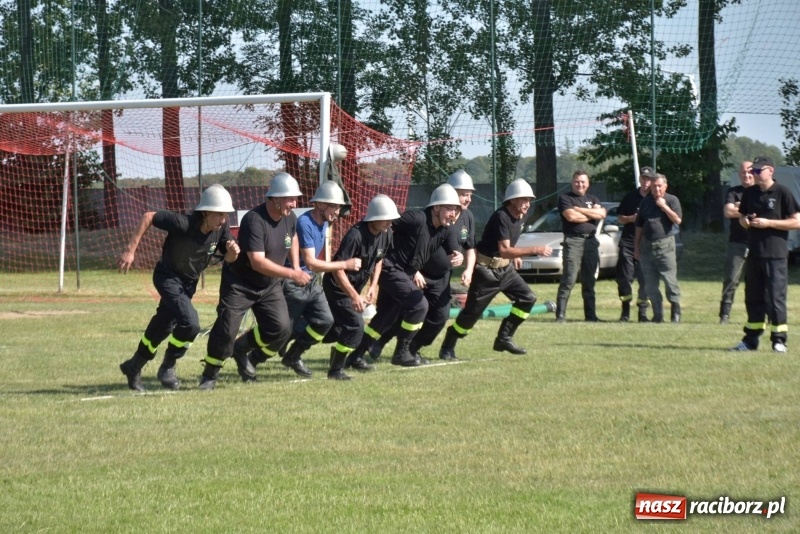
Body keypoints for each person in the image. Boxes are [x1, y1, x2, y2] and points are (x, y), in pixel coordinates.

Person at [118, 184, 239, 392]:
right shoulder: (183, 223)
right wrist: (130, 250)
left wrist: (233, 252)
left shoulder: (221, 230)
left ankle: (134, 365)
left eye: (226, 215)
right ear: (206, 212)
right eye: (220, 214)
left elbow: (229, 259)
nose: (223, 219)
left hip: (188, 284)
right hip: (167, 278)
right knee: (191, 324)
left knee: (162, 325)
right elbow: (148, 216)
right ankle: (168, 366)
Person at [198, 172, 311, 390]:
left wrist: (296, 265)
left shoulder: (290, 218)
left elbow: (293, 237)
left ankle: (241, 349)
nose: (294, 203)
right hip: (240, 284)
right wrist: (292, 274)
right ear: (275, 199)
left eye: (295, 199)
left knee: (280, 328)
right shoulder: (254, 220)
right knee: (226, 327)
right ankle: (210, 374)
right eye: (290, 199)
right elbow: (258, 262)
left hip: (269, 285)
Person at [247, 181, 361, 378]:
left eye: (339, 207)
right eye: (335, 206)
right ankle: (253, 358)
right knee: (282, 332)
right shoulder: (305, 223)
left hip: (310, 281)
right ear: (321, 204)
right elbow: (312, 262)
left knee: (325, 320)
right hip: (292, 283)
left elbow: (313, 267)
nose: (338, 212)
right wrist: (345, 264)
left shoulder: (324, 222)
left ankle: (293, 356)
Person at [366, 169, 477, 363]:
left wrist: (463, 262)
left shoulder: (464, 219)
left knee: (439, 317)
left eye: (469, 195)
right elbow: (398, 233)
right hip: (419, 274)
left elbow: (462, 246)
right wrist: (413, 269)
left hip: (442, 278)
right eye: (463, 194)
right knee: (405, 311)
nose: (467, 199)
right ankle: (381, 345)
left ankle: (412, 349)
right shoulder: (420, 218)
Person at [346, 184, 462, 368]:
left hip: (404, 274)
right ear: (437, 207)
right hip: (390, 268)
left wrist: (459, 255)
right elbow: (384, 223)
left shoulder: (445, 229)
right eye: (450, 208)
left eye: (456, 210)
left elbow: (453, 247)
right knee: (419, 305)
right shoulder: (415, 218)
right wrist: (373, 250)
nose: (453, 214)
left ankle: (355, 357)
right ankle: (402, 353)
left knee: (385, 318)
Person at [438, 179, 552, 360]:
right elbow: (505, 250)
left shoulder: (520, 216)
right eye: (523, 200)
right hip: (486, 272)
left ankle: (504, 338)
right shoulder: (501, 217)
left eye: (529, 200)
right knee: (471, 314)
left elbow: (508, 245)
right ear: (512, 200)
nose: (527, 204)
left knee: (527, 299)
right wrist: (535, 250)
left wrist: (517, 255)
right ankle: (448, 345)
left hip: (505, 270)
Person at [323, 195, 400, 379]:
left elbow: (379, 260)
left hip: (355, 288)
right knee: (355, 326)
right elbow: (338, 269)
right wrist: (354, 296)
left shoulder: (387, 233)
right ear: (374, 217)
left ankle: (345, 358)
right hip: (337, 287)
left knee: (339, 329)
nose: (390, 223)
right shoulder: (355, 235)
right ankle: (335, 370)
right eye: (386, 218)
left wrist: (373, 285)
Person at [730, 156, 800, 353]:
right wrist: (747, 221)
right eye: (753, 170)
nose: (754, 174)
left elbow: (797, 221)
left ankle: (779, 340)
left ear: (771, 171)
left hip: (775, 254)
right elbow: (742, 217)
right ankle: (750, 341)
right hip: (754, 252)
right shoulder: (750, 193)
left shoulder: (782, 192)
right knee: (753, 298)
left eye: (758, 170)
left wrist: (770, 223)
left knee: (776, 298)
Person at [554, 170, 607, 322]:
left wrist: (580, 210)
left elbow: (602, 214)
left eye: (583, 181)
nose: (580, 184)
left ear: (588, 183)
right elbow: (571, 217)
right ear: (572, 182)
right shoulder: (565, 198)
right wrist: (591, 213)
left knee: (589, 280)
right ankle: (561, 315)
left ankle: (591, 316)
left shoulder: (593, 198)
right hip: (573, 241)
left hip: (591, 241)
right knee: (569, 278)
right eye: (577, 181)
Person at [634, 173, 683, 323]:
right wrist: (636, 247)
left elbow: (677, 220)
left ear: (665, 186)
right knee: (650, 285)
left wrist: (664, 206)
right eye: (654, 186)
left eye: (659, 186)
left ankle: (675, 313)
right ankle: (658, 315)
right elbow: (639, 226)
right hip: (647, 246)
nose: (656, 188)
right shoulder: (645, 202)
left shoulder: (672, 200)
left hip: (665, 245)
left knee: (670, 281)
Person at [615, 167, 655, 322]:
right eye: (643, 178)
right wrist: (632, 218)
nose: (646, 182)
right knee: (625, 278)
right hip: (628, 241)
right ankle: (625, 312)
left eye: (649, 179)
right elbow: (620, 218)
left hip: (647, 243)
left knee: (645, 279)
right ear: (640, 179)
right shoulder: (630, 197)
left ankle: (643, 313)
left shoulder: (655, 198)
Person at [719, 161, 754, 324]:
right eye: (743, 173)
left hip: (758, 243)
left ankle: (756, 314)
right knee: (731, 279)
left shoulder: (760, 192)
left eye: (749, 172)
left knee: (756, 282)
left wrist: (739, 208)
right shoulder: (734, 192)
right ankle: (724, 315)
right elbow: (727, 212)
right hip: (736, 243)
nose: (746, 175)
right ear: (739, 174)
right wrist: (748, 211)